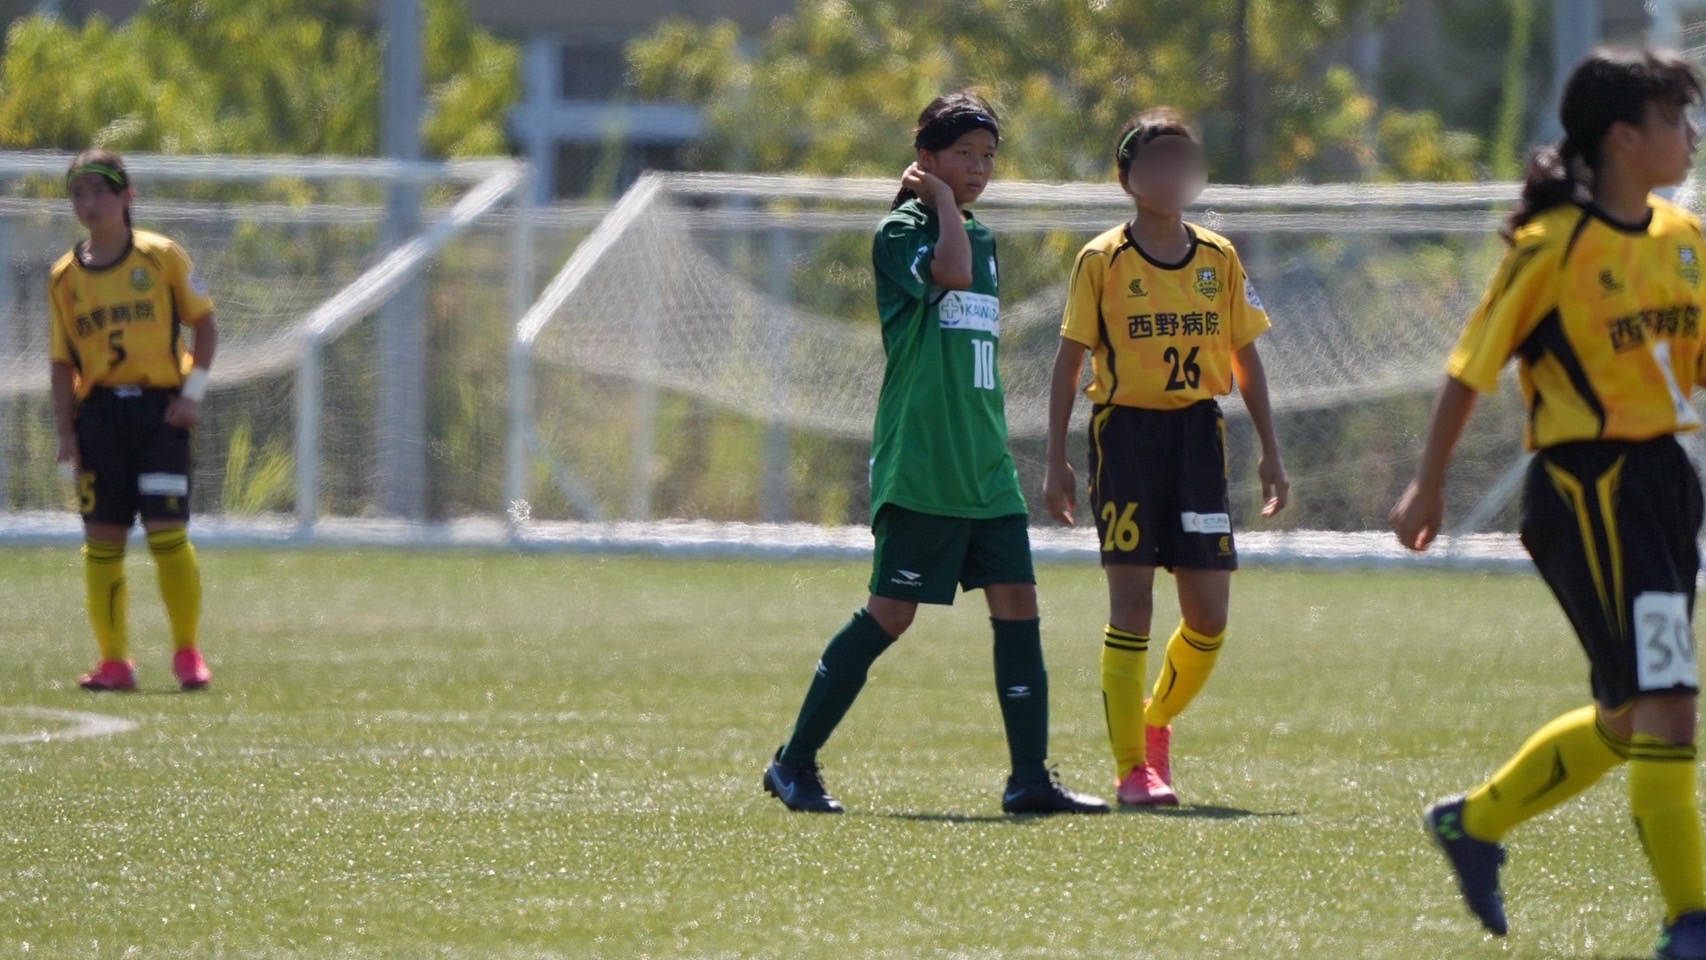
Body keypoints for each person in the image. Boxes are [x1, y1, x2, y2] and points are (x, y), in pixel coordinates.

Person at [1390, 48, 1706, 958]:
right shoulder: (1553, 247)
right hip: (1590, 488)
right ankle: (1689, 922)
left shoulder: (1683, 240)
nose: (1690, 135)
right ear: (1622, 135)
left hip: (1664, 485)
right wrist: (1429, 481)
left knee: (1626, 716)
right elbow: (1469, 372)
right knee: (1668, 704)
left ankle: (1476, 822)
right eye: (1674, 118)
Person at [761, 90, 1108, 816]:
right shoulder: (902, 231)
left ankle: (1029, 779)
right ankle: (793, 762)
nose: (979, 169)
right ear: (927, 159)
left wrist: (957, 210)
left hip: (982, 463)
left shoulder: (978, 235)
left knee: (1019, 603)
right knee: (891, 613)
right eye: (964, 156)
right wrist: (944, 206)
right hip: (922, 460)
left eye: (988, 157)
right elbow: (946, 273)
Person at [1043, 107, 1288, 807]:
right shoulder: (1102, 260)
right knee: (1132, 607)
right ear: (1129, 178)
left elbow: (1244, 355)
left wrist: (1271, 450)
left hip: (1198, 440)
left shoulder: (1219, 257)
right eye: (1158, 161)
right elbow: (1067, 365)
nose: (1174, 173)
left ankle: (1153, 727)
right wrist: (1058, 459)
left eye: (1185, 159)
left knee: (1209, 615)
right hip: (1124, 437)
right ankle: (1131, 771)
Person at [48, 149, 218, 693]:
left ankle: (188, 651)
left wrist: (192, 395)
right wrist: (67, 432)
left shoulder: (161, 256)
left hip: (158, 411)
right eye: (79, 193)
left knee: (168, 533)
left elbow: (205, 325)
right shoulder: (63, 278)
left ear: (126, 197)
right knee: (102, 539)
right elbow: (61, 362)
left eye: (100, 191)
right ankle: (114, 661)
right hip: (98, 416)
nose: (89, 202)